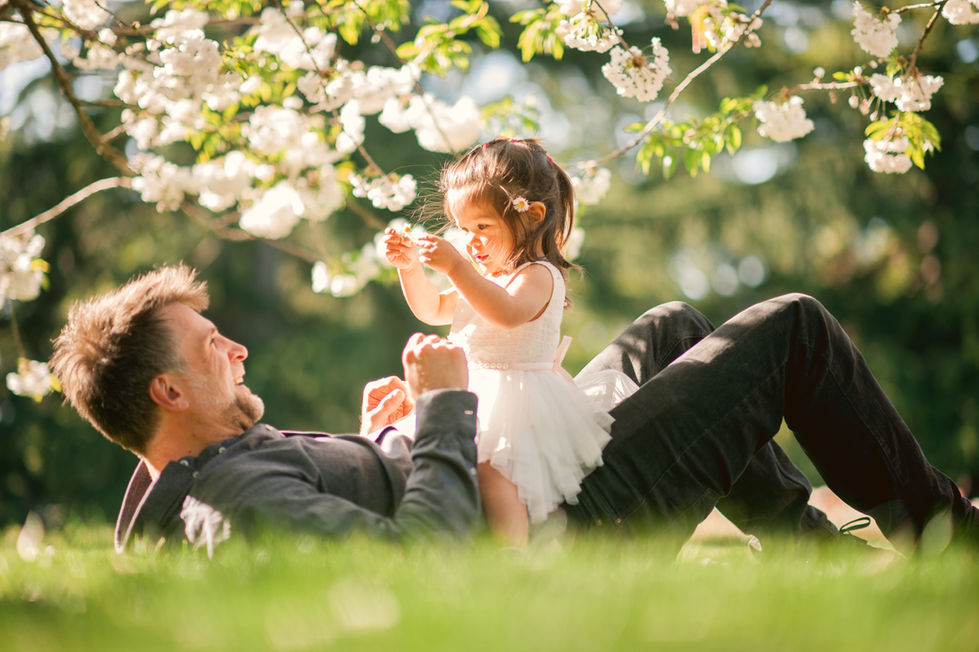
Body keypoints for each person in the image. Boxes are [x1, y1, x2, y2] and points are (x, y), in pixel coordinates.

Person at [49, 263, 978, 556]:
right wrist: (446, 405)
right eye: (213, 343)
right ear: (167, 391)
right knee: (789, 329)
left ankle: (811, 561)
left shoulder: (223, 463)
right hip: (560, 525)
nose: (236, 346)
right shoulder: (233, 499)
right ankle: (951, 536)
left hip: (525, 480)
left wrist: (389, 432)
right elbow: (425, 562)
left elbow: (379, 497)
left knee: (670, 326)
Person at [379, 137, 635, 546]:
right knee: (458, 469)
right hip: (473, 392)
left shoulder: (539, 275)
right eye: (464, 230)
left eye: (483, 228)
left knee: (499, 475)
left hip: (517, 399)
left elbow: (506, 313)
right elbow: (431, 310)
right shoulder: (482, 279)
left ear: (531, 217)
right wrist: (410, 269)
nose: (471, 241)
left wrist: (458, 267)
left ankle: (513, 553)